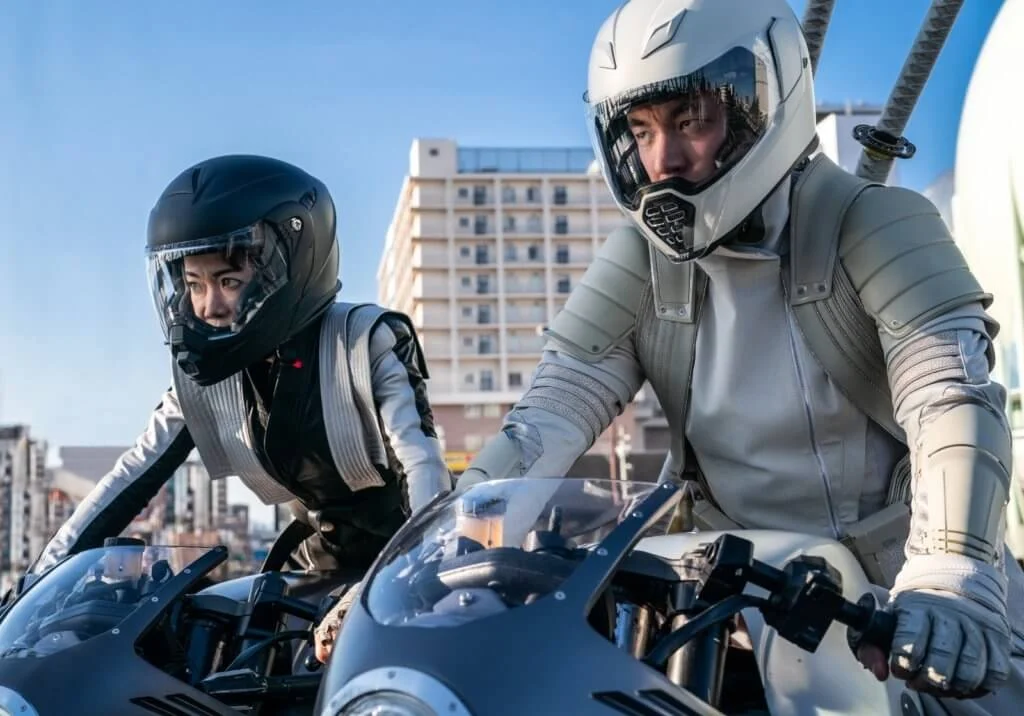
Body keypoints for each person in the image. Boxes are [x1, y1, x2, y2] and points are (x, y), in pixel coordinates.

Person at [451, 0, 1024, 711]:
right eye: (641, 130)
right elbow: (547, 418)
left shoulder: (876, 221)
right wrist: (446, 558)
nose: (661, 160)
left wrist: (950, 572)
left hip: (900, 613)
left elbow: (950, 400)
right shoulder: (639, 259)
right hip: (727, 618)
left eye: (691, 120)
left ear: (766, 104)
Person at [26, 154, 452, 611]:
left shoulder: (367, 341)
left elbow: (422, 467)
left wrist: (418, 577)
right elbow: (133, 474)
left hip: (407, 567)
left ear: (290, 267)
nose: (208, 306)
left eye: (228, 281)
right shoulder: (204, 377)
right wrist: (35, 582)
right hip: (310, 573)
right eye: (194, 284)